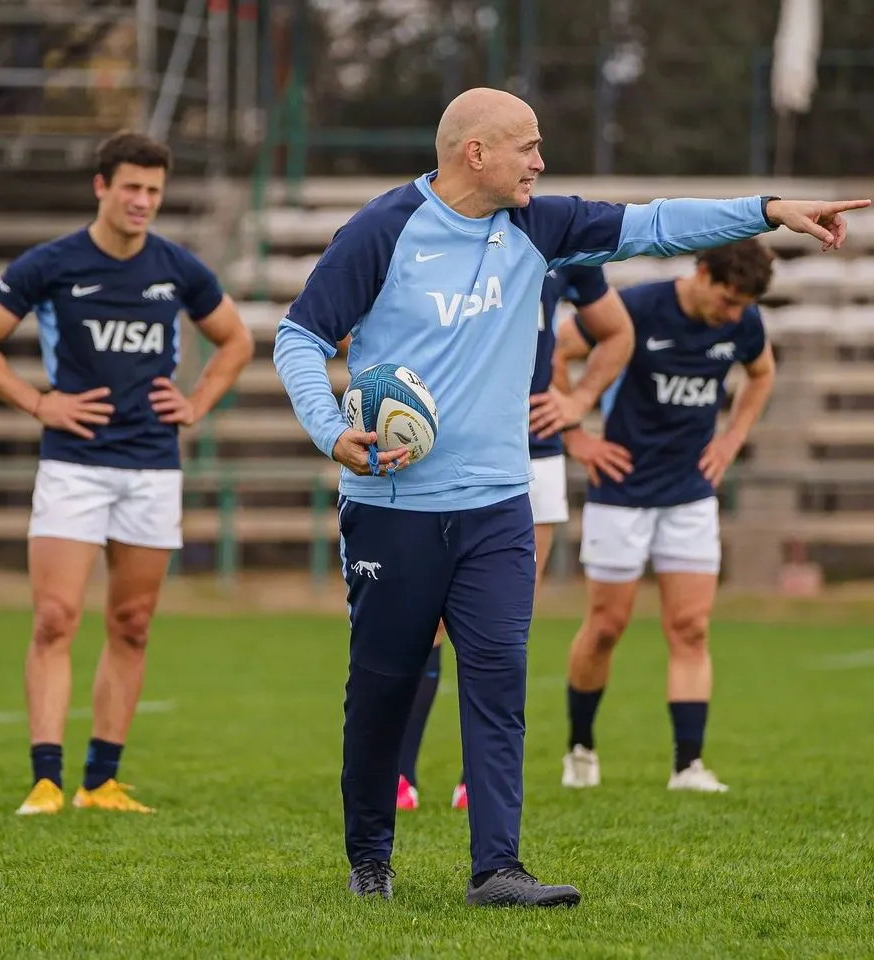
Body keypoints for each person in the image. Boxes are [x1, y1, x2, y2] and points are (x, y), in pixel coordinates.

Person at [272, 85, 866, 907]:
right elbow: (299, 335)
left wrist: (769, 209)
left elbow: (656, 223)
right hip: (393, 509)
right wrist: (328, 428)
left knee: (498, 680)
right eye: (528, 147)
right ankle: (370, 860)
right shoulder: (382, 230)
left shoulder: (539, 225)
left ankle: (497, 868)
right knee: (385, 685)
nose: (541, 163)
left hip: (498, 508)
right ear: (474, 152)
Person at [0, 131, 255, 816]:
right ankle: (47, 780)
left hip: (151, 468)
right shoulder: (52, 264)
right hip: (74, 466)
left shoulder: (177, 268)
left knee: (133, 622)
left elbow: (237, 340)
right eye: (131, 189)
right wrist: (37, 401)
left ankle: (101, 781)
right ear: (101, 187)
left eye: (154, 190)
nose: (143, 201)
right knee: (55, 619)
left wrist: (198, 401)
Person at [395, 266, 635, 815]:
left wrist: (576, 410)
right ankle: (399, 773)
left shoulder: (558, 240)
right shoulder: (436, 236)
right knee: (420, 623)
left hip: (534, 454)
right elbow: (341, 323)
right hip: (445, 449)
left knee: (500, 628)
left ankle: (474, 780)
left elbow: (617, 331)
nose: (533, 172)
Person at [554, 239, 776, 793]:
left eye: (741, 306)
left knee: (691, 627)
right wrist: (576, 434)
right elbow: (557, 352)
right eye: (727, 300)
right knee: (606, 627)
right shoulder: (637, 307)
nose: (733, 314)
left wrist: (733, 439)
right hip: (620, 490)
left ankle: (688, 766)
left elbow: (762, 373)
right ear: (701, 271)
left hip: (691, 493)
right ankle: (580, 749)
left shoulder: (743, 320)